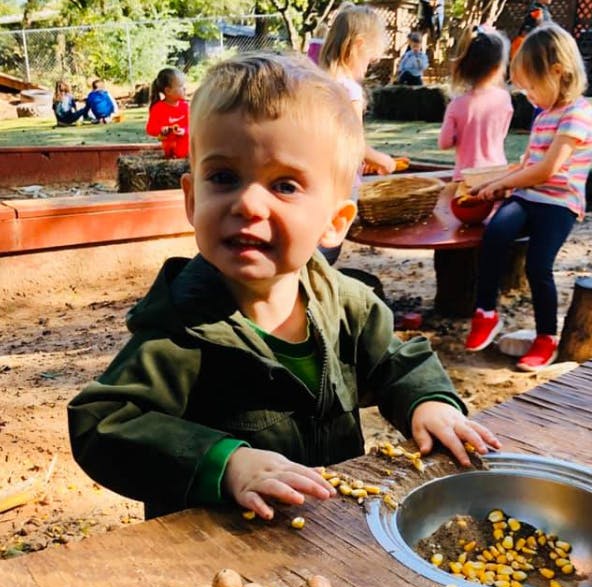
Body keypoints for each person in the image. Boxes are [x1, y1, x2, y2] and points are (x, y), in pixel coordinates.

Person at [67, 52, 500, 521]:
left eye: (285, 186)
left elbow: (395, 362)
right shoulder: (182, 328)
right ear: (192, 199)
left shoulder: (347, 305)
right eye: (224, 177)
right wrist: (225, 462)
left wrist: (427, 402)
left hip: (330, 535)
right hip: (216, 550)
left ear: (334, 224)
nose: (249, 202)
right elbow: (102, 422)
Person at [464, 23, 592, 372]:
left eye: (531, 88)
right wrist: (493, 182)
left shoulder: (578, 114)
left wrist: (498, 187)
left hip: (559, 203)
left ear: (557, 71)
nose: (529, 97)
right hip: (528, 196)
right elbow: (526, 165)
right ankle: (486, 312)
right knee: (494, 234)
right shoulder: (544, 116)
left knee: (538, 265)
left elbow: (547, 170)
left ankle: (545, 337)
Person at [319, 3, 396, 177]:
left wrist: (366, 160)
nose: (367, 68)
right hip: (341, 182)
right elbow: (354, 144)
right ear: (358, 45)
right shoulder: (349, 90)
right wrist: (383, 160)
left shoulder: (318, 82)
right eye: (369, 60)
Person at [438, 26, 513, 179]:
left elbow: (444, 143)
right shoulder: (504, 98)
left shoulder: (457, 104)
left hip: (466, 177)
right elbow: (502, 133)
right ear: (498, 67)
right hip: (497, 175)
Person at [145, 67, 190, 159]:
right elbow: (150, 129)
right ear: (168, 91)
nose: (185, 88)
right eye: (181, 86)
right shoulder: (158, 108)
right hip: (170, 151)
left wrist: (184, 130)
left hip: (188, 150)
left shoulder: (186, 107)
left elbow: (194, 126)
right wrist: (161, 129)